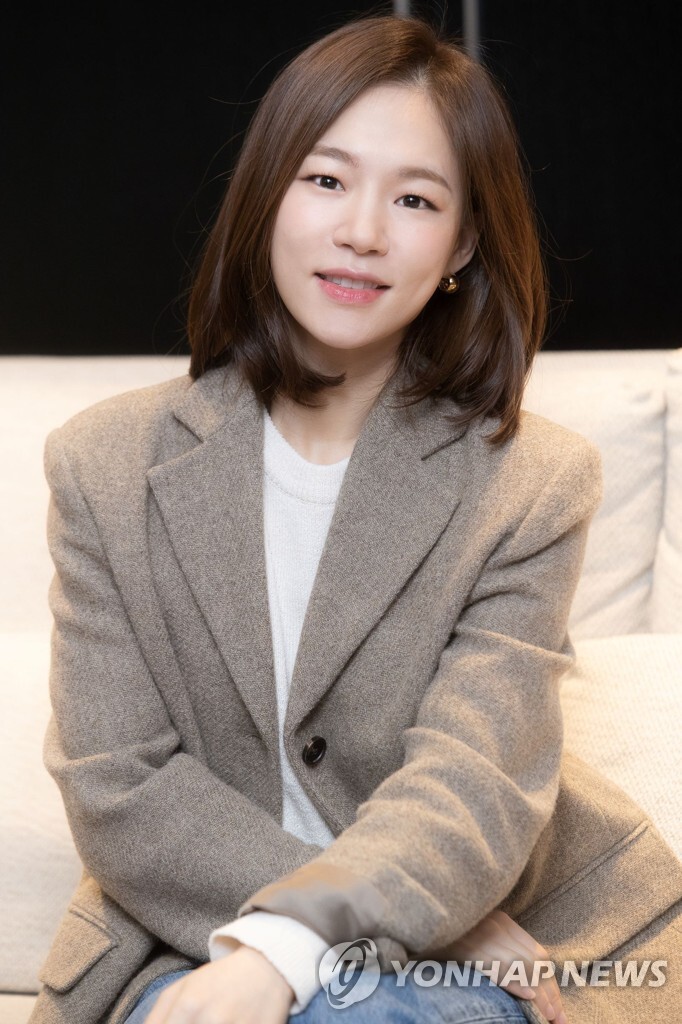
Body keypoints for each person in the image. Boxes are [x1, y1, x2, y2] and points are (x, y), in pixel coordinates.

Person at [31, 13, 682, 1024]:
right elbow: (120, 784)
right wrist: (360, 922)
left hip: (490, 941)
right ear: (267, 197)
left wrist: (309, 944)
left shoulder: (534, 482)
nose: (363, 231)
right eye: (326, 180)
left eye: (415, 199)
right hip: (185, 934)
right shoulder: (103, 465)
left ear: (463, 242)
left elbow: (471, 779)